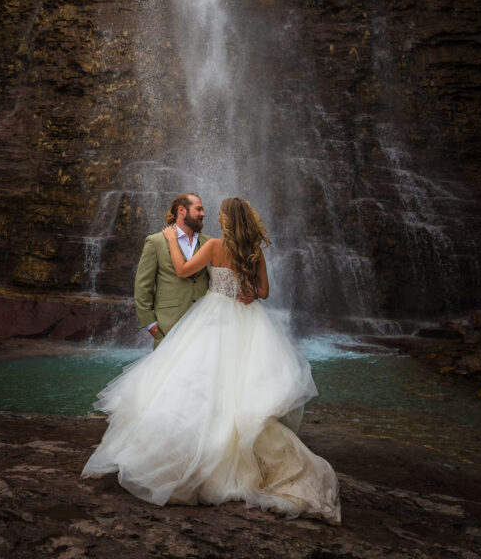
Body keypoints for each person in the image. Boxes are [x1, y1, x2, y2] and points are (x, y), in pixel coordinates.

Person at [82, 196, 341, 524]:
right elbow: (263, 293)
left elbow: (182, 269)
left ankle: (195, 459)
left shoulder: (216, 246)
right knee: (241, 385)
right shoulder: (255, 251)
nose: (214, 217)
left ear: (229, 220)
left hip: (213, 316)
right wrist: (245, 292)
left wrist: (171, 240)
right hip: (247, 319)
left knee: (198, 381)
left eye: (219, 214)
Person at [134, 192, 211, 349]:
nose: (203, 214)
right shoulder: (155, 242)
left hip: (204, 326)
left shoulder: (209, 243)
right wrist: (151, 325)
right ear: (182, 210)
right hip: (168, 325)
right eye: (198, 209)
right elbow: (143, 286)